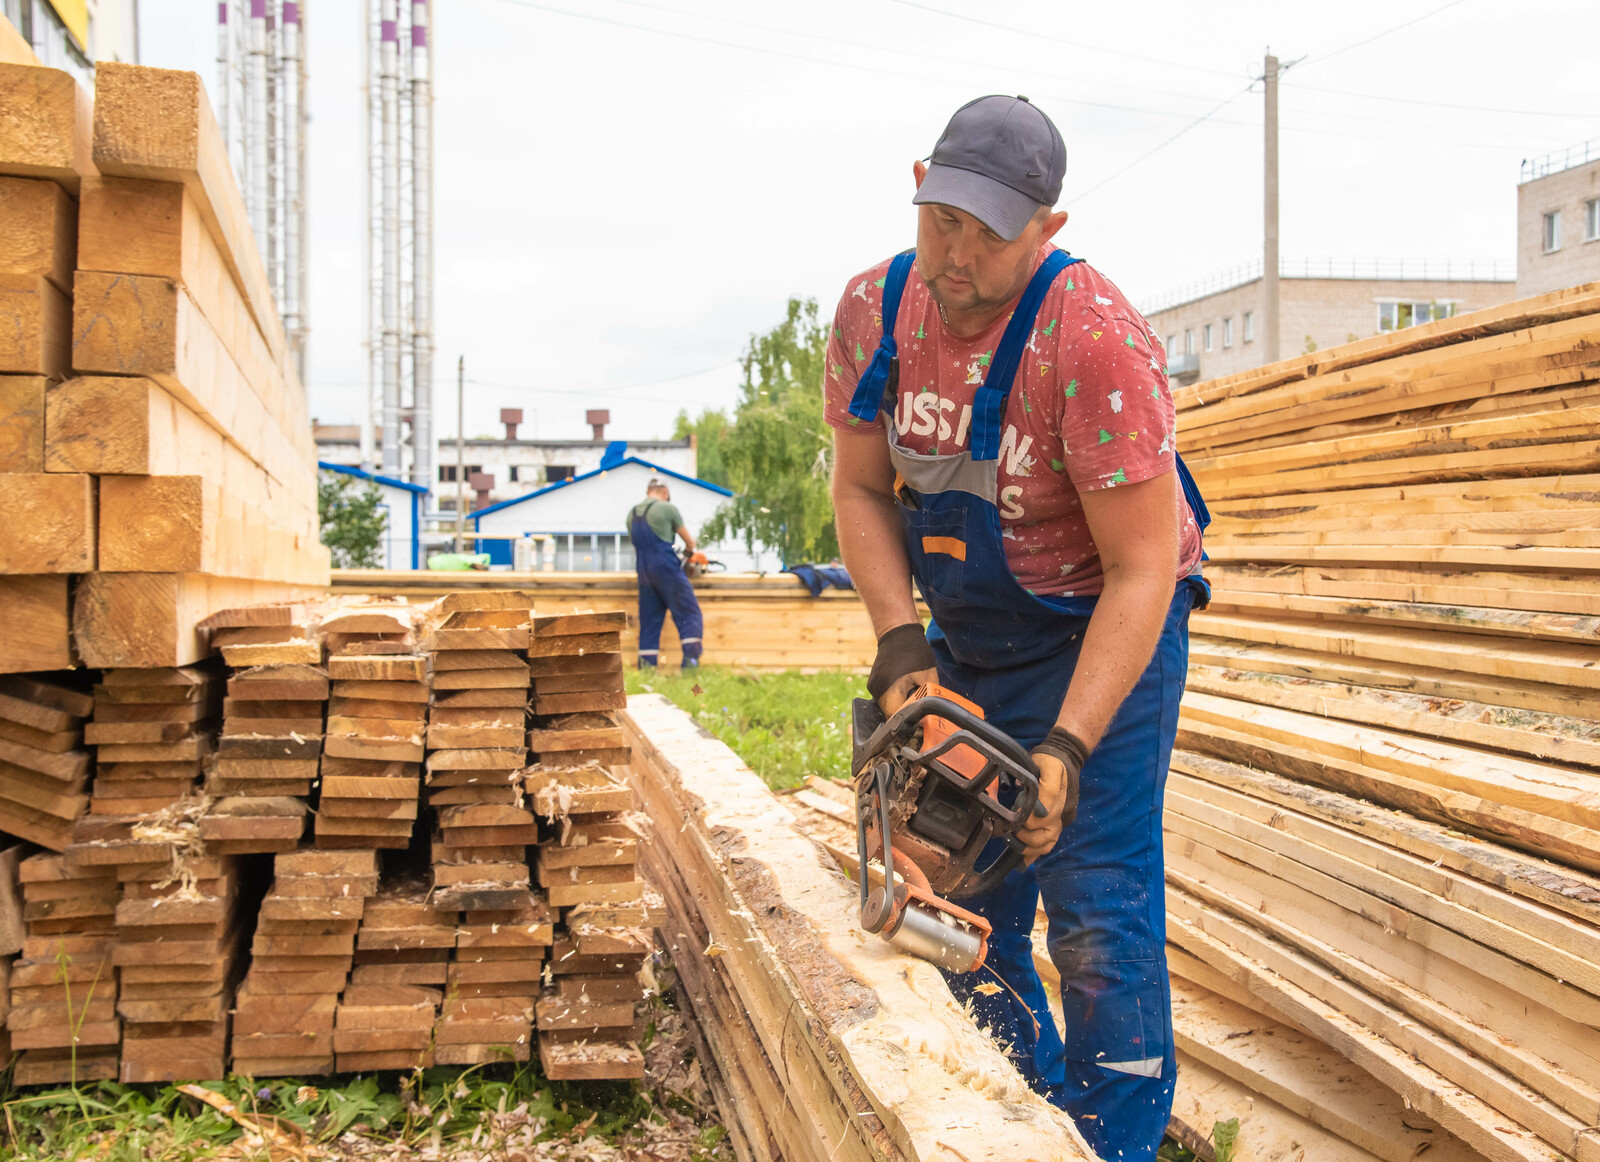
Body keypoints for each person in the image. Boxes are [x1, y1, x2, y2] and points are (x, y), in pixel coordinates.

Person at [826, 94, 1209, 1162]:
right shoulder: (874, 312)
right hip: (967, 632)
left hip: (1103, 630)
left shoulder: (1090, 340)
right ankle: (1009, 1111)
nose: (957, 256)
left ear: (1048, 226)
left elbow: (1141, 568)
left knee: (1094, 902)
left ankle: (1111, 1139)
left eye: (990, 234)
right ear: (918, 185)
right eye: (941, 220)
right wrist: (902, 651)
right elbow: (861, 491)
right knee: (958, 871)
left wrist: (1068, 745)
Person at [626, 479, 705, 669]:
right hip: (667, 569)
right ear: (664, 493)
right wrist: (686, 557)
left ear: (648, 491)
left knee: (649, 622)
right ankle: (690, 665)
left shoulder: (631, 514)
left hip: (644, 573)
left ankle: (646, 670)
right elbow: (690, 544)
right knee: (689, 613)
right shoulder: (668, 508)